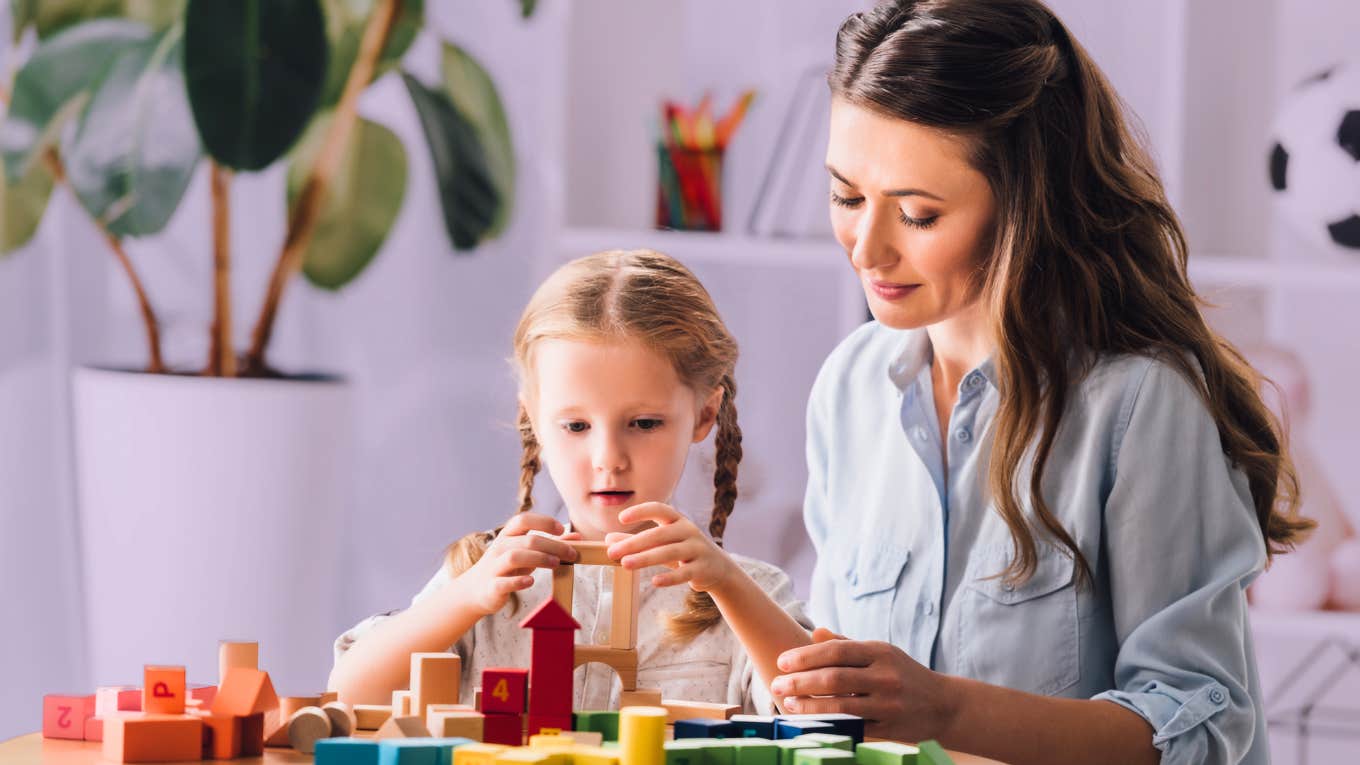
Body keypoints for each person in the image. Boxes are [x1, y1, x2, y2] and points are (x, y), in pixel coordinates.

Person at [767, 2, 1313, 764]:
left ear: (1023, 201)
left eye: (918, 214)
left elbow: (1202, 730)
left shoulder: (1136, 405)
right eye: (846, 197)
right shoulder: (850, 387)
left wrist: (947, 708)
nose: (866, 248)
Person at [327, 250, 813, 713]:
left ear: (705, 413)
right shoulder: (484, 578)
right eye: (576, 426)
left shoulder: (747, 592)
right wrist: (468, 597)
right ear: (533, 419)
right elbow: (349, 695)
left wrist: (727, 584)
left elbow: (818, 709)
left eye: (644, 424)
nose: (608, 459)